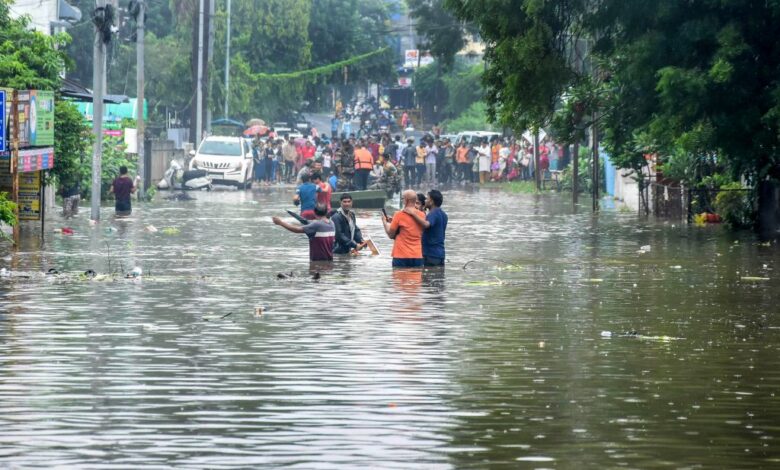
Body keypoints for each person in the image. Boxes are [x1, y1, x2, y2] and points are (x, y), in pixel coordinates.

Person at [381, 190, 425, 268]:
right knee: (415, 279)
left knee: (400, 279)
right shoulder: (422, 215)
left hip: (401, 255)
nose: (402, 201)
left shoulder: (399, 215)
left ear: (406, 200)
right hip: (417, 255)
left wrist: (385, 222)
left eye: (402, 198)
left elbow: (391, 235)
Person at [405, 189, 448, 267]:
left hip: (430, 253)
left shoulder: (433, 213)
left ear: (431, 201)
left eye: (427, 199)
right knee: (438, 277)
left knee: (427, 278)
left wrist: (413, 214)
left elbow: (426, 224)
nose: (425, 201)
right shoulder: (443, 214)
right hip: (440, 253)